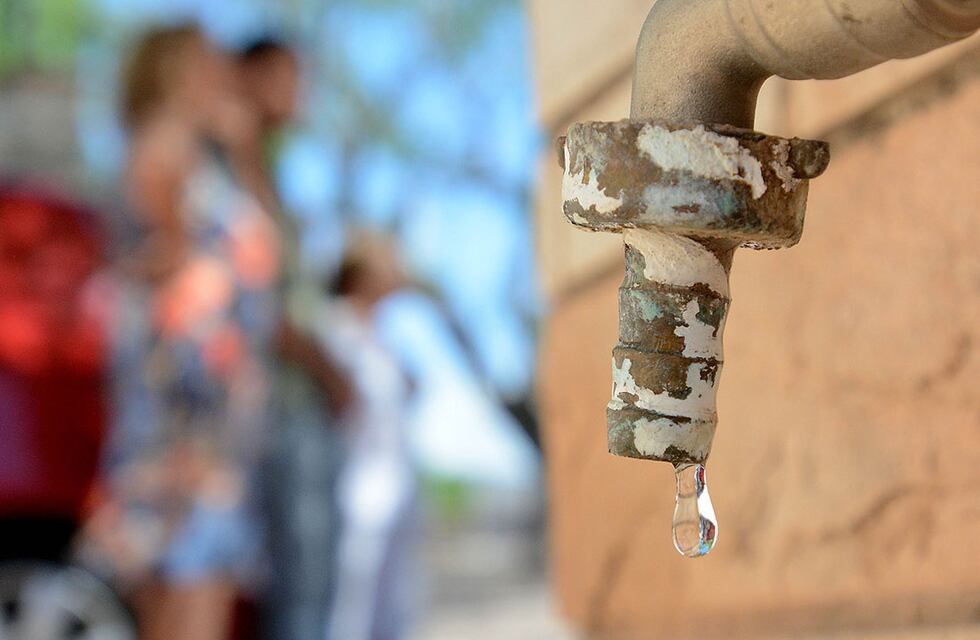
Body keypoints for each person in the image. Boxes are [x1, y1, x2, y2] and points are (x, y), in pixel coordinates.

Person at [82, 25, 281, 640]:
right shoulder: (164, 145)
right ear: (175, 71)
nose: (225, 73)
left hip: (215, 405)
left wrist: (242, 148)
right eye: (210, 62)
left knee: (198, 576)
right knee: (192, 579)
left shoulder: (210, 156)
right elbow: (149, 256)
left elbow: (266, 245)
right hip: (184, 404)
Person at [231, 37, 354, 640]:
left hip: (290, 402)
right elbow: (258, 306)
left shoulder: (264, 171)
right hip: (277, 405)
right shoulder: (228, 172)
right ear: (250, 77)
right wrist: (333, 374)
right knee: (299, 590)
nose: (300, 92)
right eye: (288, 76)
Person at [318, 235, 418, 640]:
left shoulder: (382, 334)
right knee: (354, 600)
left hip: (396, 478)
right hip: (355, 481)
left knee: (393, 598)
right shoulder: (335, 326)